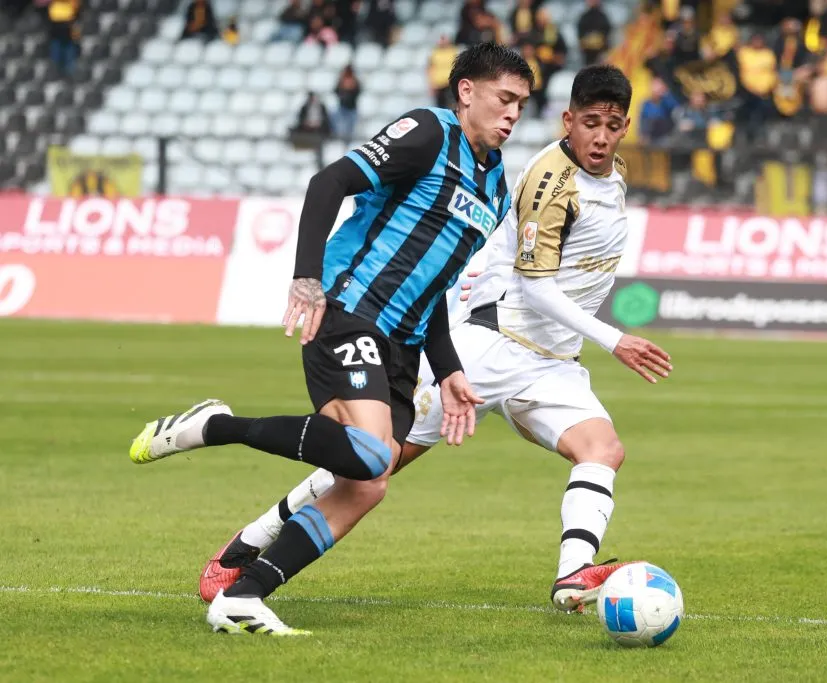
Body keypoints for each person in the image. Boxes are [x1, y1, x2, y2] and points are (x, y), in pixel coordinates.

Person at [195, 65, 672, 617]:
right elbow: (535, 285)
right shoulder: (548, 179)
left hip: (552, 359)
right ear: (569, 120)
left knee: (603, 450)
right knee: (374, 462)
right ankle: (250, 542)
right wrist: (617, 341)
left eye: (613, 125)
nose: (602, 136)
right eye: (591, 123)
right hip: (493, 343)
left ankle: (571, 576)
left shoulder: (611, 178)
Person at [128, 43, 534, 637]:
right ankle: (217, 426)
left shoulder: (496, 189)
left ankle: (244, 594)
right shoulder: (426, 133)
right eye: (505, 99)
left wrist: (448, 371)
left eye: (522, 104)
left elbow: (438, 287)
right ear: (467, 91)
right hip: (349, 311)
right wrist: (308, 279)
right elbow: (328, 182)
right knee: (371, 453)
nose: (514, 114)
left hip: (403, 346)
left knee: (369, 485)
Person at [577, 0, 612, 66]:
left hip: (601, 51)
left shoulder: (603, 17)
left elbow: (607, 32)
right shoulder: (584, 17)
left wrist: (600, 40)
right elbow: (580, 34)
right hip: (588, 52)